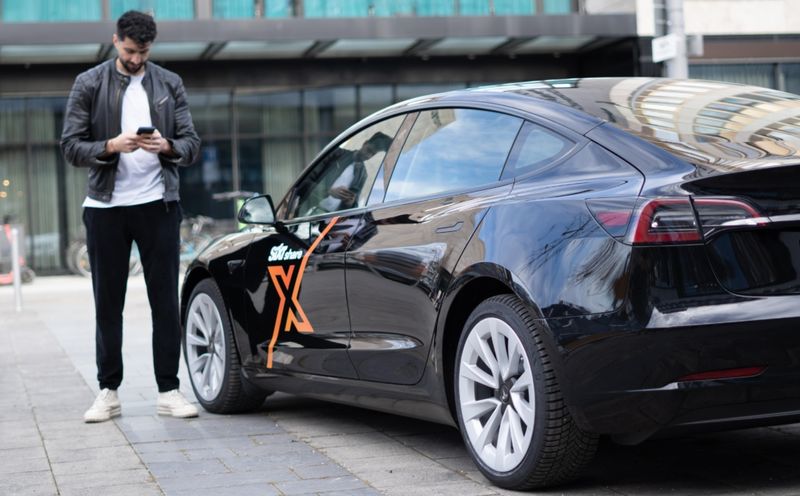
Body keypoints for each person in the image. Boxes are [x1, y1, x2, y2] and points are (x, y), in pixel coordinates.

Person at [61, 11, 201, 423]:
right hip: (105, 208)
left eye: (143, 52)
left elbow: (191, 144)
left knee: (164, 303)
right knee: (108, 304)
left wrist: (167, 146)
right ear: (115, 40)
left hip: (158, 204)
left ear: (151, 47)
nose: (136, 59)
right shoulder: (89, 83)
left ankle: (169, 390)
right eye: (129, 51)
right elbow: (70, 146)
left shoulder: (169, 83)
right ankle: (108, 391)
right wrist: (111, 145)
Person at [317, 131, 393, 212]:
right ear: (364, 143)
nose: (368, 155)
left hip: (330, 217)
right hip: (313, 208)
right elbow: (311, 180)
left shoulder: (363, 175)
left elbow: (354, 206)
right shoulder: (337, 154)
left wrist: (350, 203)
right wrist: (329, 191)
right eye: (368, 150)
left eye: (373, 154)